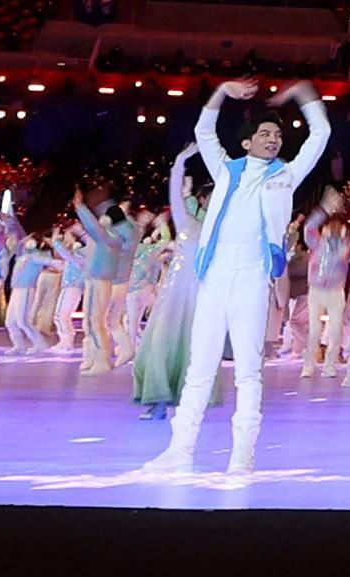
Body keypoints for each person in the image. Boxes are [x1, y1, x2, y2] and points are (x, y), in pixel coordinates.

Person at [127, 79, 339, 481]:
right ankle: (179, 450)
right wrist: (222, 91)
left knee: (247, 370)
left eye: (278, 135)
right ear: (246, 143)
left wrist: (301, 95)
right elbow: (204, 131)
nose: (274, 140)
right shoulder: (226, 169)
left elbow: (322, 132)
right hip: (216, 276)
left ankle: (243, 454)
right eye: (265, 134)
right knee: (200, 366)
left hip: (252, 277)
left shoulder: (286, 175)